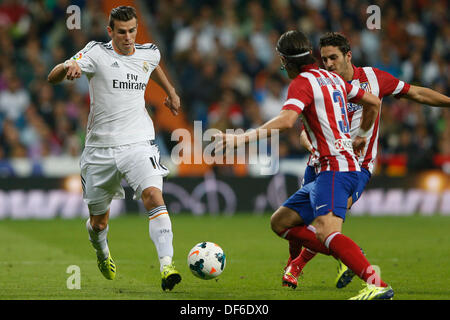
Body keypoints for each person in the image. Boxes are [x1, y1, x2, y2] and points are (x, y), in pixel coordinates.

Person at [217, 30, 393, 300]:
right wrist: (362, 135)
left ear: (286, 61)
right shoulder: (332, 77)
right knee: (281, 222)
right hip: (328, 167)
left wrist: (241, 137)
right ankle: (348, 254)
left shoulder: (302, 82)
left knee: (326, 231)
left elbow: (287, 121)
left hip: (334, 168)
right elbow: (373, 101)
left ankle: (377, 284)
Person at [285, 32, 450, 291]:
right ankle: (295, 264)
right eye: (324, 58)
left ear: (348, 56)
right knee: (295, 222)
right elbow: (304, 127)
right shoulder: (322, 82)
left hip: (356, 167)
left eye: (333, 58)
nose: (328, 64)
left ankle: (341, 270)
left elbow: (415, 93)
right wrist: (309, 144)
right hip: (318, 162)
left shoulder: (375, 79)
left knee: (324, 224)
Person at [47, 6, 182, 291]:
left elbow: (152, 64)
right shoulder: (96, 53)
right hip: (99, 149)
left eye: (132, 30)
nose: (128, 37)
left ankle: (167, 264)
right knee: (98, 222)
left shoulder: (149, 51)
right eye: (121, 32)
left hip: (138, 142)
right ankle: (102, 252)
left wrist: (170, 91)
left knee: (153, 195)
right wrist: (67, 67)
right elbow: (53, 76)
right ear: (111, 32)